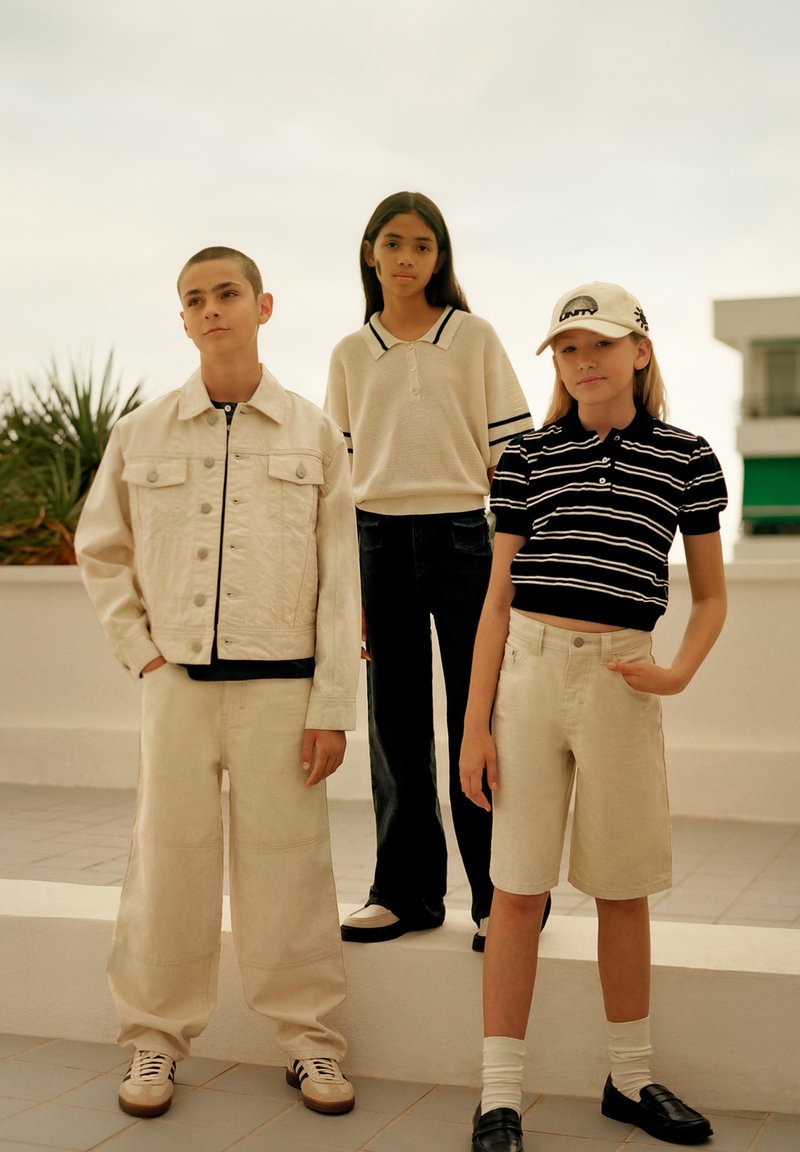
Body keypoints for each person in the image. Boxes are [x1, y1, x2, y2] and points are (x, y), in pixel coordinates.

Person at [75, 246, 361, 1120]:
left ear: (263, 306)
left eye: (227, 293)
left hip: (284, 697)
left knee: (293, 872)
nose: (212, 309)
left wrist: (332, 708)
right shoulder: (142, 432)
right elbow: (102, 550)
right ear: (184, 317)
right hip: (179, 694)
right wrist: (145, 656)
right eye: (194, 299)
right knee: (167, 868)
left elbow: (342, 578)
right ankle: (153, 1042)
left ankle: (310, 1043)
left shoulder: (312, 434)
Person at [461, 282, 727, 1151]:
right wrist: (473, 727)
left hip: (622, 676)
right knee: (517, 886)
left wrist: (678, 671)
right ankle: (499, 1094)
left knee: (622, 883)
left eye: (601, 346)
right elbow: (496, 602)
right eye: (569, 350)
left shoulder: (687, 458)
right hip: (530, 678)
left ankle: (631, 1078)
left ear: (640, 353)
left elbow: (711, 597)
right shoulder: (529, 458)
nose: (584, 362)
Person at [326, 191, 549, 952]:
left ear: (440, 257)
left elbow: (513, 461)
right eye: (393, 244)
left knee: (479, 720)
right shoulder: (351, 354)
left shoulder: (474, 337)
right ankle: (406, 893)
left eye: (423, 245)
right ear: (370, 253)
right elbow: (340, 472)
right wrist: (346, 583)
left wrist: (517, 565)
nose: (407, 258)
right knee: (394, 726)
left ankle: (500, 898)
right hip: (377, 543)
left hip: (464, 540)